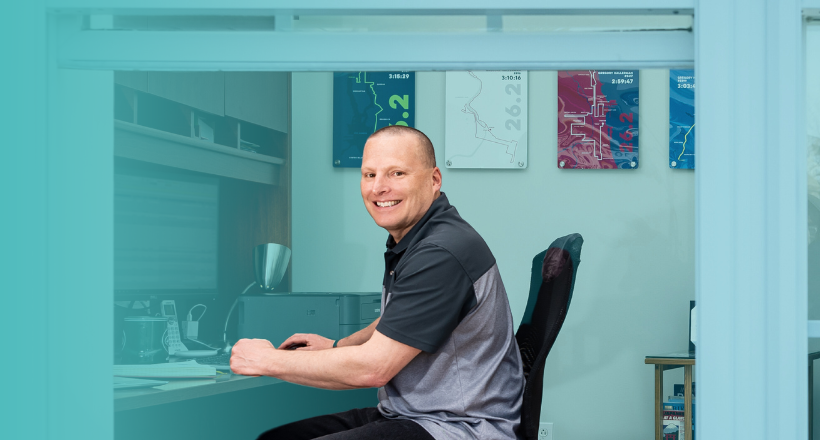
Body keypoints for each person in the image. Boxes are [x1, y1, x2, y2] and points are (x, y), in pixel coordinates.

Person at [230, 126, 524, 440]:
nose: (379, 188)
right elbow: (397, 320)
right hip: (415, 413)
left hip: (458, 428)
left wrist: (266, 359)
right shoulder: (422, 238)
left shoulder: (440, 253)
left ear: (434, 180)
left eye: (397, 173)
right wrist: (337, 346)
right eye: (370, 175)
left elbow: (373, 369)